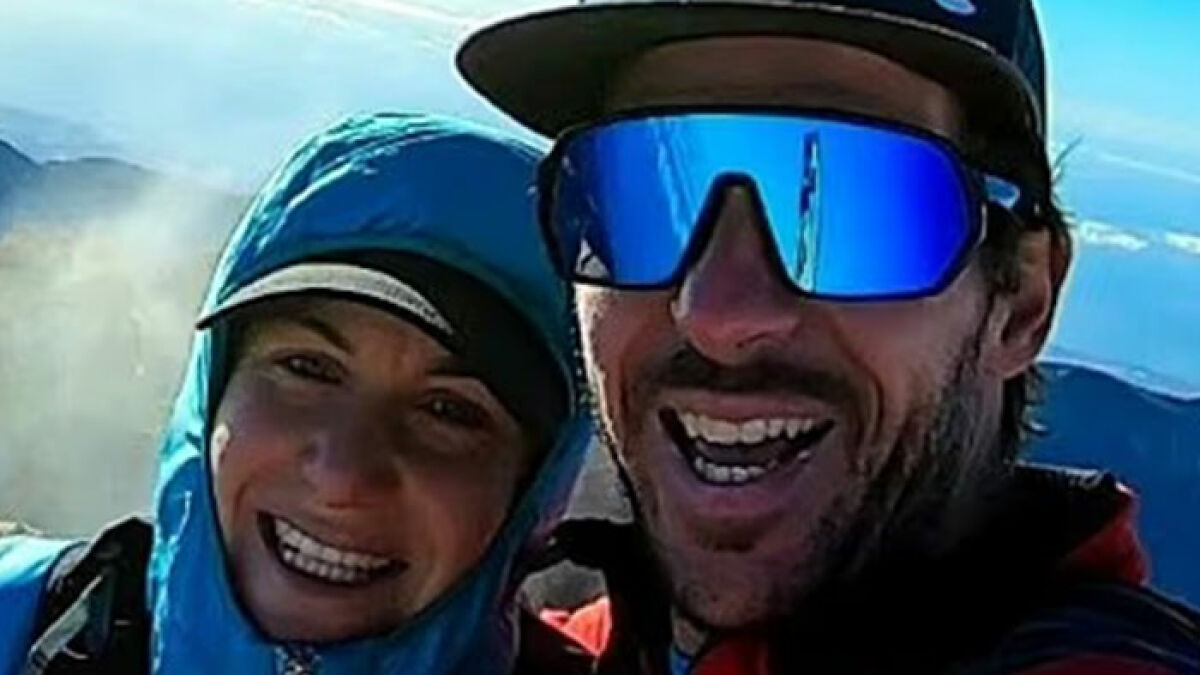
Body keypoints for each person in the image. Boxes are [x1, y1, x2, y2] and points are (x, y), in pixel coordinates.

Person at [457, 1, 1200, 673]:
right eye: (641, 189)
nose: (717, 313)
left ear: (1020, 303)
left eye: (859, 203)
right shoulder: (565, 642)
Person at [0, 113, 593, 674]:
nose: (341, 474)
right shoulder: (18, 617)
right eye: (308, 367)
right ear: (213, 392)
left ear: (535, 492)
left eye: (447, 411)